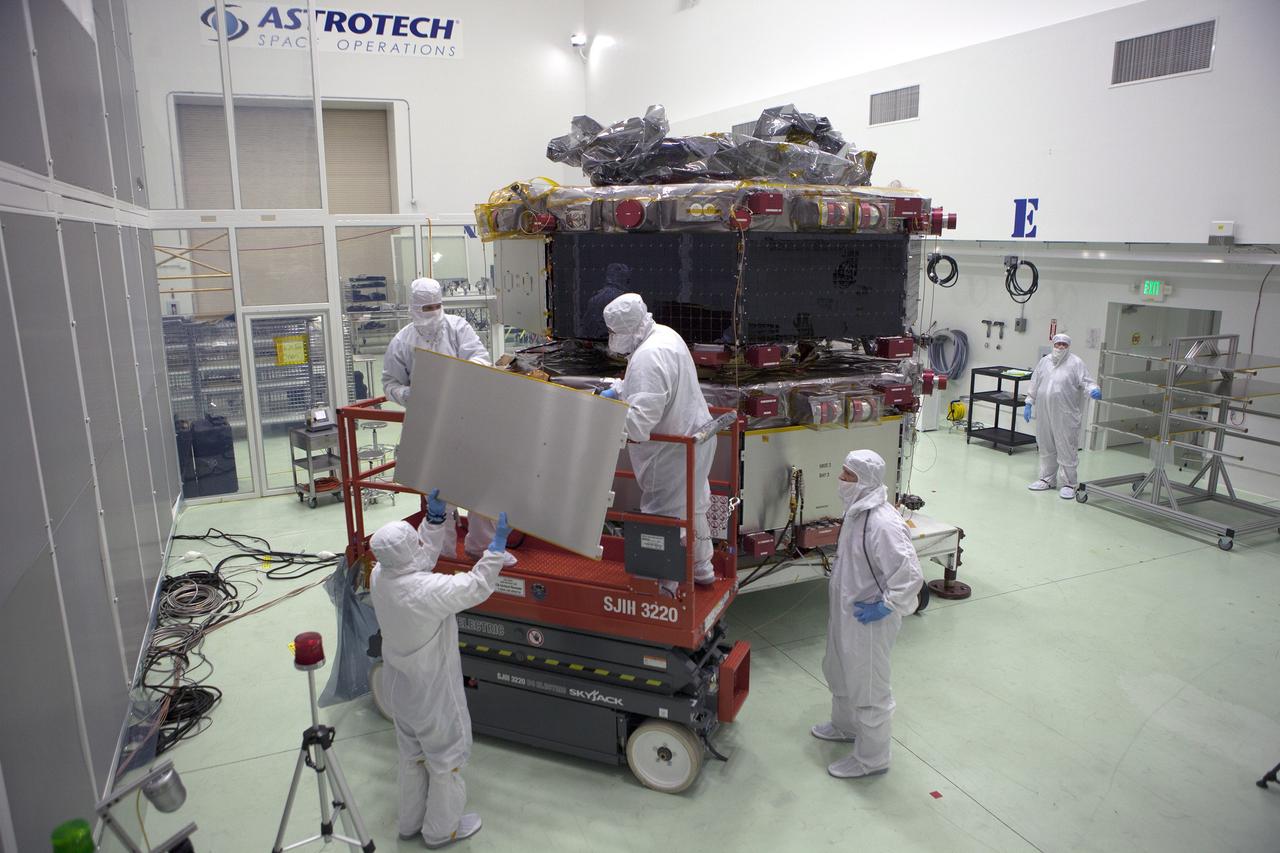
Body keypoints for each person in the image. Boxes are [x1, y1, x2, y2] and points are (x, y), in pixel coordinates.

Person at [369, 490, 512, 849]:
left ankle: (409, 823)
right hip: (433, 694)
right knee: (445, 760)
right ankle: (440, 830)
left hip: (400, 688)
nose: (421, 544)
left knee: (411, 758)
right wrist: (495, 548)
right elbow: (475, 586)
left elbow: (415, 561)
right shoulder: (425, 592)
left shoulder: (380, 577)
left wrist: (434, 522)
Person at [382, 277, 516, 564]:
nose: (432, 313)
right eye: (426, 307)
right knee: (440, 489)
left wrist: (460, 373)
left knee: (481, 483)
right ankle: (439, 551)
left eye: (436, 306)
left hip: (467, 417)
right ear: (413, 308)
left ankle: (481, 547)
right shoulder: (401, 341)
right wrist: (409, 394)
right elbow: (389, 383)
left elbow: (481, 358)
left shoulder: (458, 328)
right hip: (429, 423)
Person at [814, 450, 923, 779]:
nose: (841, 480)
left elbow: (909, 576)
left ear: (864, 481)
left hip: (870, 620)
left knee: (869, 686)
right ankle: (844, 725)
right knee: (839, 669)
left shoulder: (883, 523)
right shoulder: (856, 512)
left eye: (848, 475)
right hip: (848, 612)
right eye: (842, 472)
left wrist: (885, 607)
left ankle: (872, 758)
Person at [601, 293, 717, 589]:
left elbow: (638, 425)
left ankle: (663, 589)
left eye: (613, 332)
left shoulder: (647, 358)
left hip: (672, 453)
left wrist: (604, 415)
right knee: (694, 505)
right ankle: (703, 569)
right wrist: (619, 389)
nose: (611, 338)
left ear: (626, 328)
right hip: (697, 436)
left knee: (663, 519)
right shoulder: (663, 335)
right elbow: (651, 388)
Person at [1023, 333, 1102, 499]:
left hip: (1065, 414)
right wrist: (1029, 402)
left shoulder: (1075, 363)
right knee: (1046, 445)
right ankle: (1047, 479)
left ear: (1068, 347)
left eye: (1064, 345)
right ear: (1053, 344)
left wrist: (1093, 389)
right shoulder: (1044, 362)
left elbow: (1087, 381)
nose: (1060, 347)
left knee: (1066, 447)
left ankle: (1069, 484)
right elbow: (1035, 382)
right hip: (1044, 412)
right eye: (1058, 344)